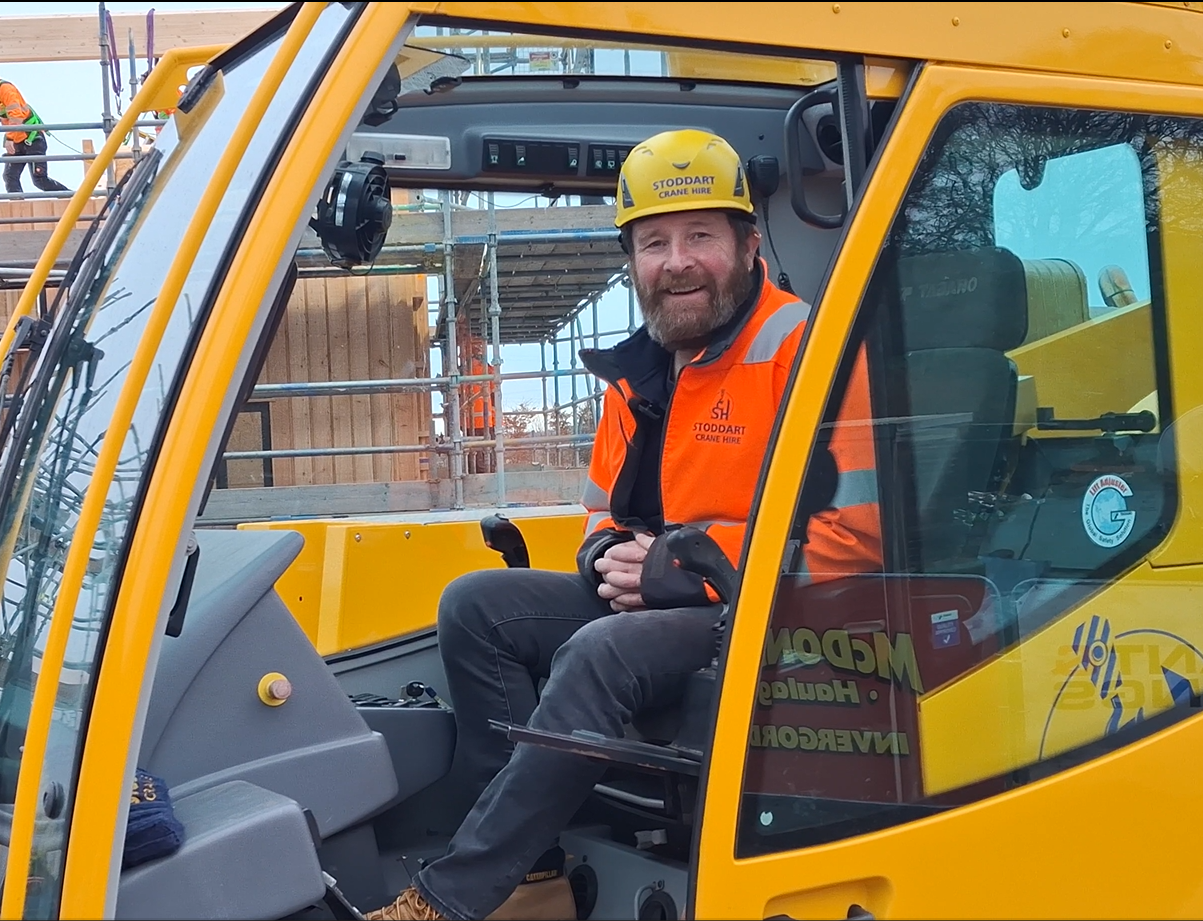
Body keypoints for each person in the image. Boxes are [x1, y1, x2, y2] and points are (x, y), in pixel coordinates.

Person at [368, 129, 882, 921]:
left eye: (700, 236)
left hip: (775, 610)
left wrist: (676, 567)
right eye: (653, 242)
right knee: (476, 606)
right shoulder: (640, 368)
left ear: (748, 247)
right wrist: (609, 553)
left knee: (599, 652)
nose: (677, 260)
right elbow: (602, 507)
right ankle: (534, 879)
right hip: (665, 594)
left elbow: (856, 539)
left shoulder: (808, 349)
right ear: (633, 261)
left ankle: (449, 901)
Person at [0, 55, 72, 195]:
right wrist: (8, 139)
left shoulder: (5, 89)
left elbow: (16, 117)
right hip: (19, 140)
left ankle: (72, 198)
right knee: (10, 176)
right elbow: (8, 122)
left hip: (32, 139)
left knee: (40, 180)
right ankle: (17, 205)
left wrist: (10, 138)